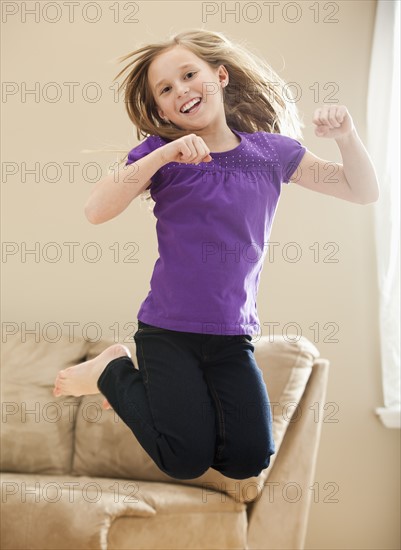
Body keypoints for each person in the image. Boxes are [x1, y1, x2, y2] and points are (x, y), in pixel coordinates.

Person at [53, 29, 379, 481]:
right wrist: (162, 155)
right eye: (166, 90)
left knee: (248, 460)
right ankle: (112, 369)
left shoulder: (271, 153)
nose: (181, 90)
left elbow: (362, 191)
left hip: (232, 335)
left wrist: (346, 136)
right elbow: (96, 210)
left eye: (189, 75)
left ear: (220, 75)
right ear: (161, 110)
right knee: (183, 460)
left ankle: (133, 385)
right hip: (167, 331)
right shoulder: (159, 155)